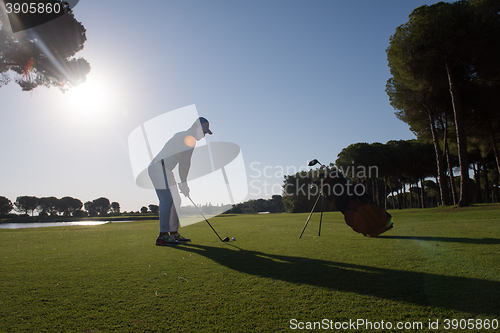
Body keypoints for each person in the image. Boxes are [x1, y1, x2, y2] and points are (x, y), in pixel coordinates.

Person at [148, 117, 212, 246]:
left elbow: (185, 163)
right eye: (204, 132)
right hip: (158, 167)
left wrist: (184, 183)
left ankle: (173, 233)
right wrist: (184, 183)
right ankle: (162, 236)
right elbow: (184, 162)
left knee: (176, 200)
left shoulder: (190, 139)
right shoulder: (185, 137)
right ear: (197, 128)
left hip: (166, 170)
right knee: (167, 200)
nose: (204, 135)